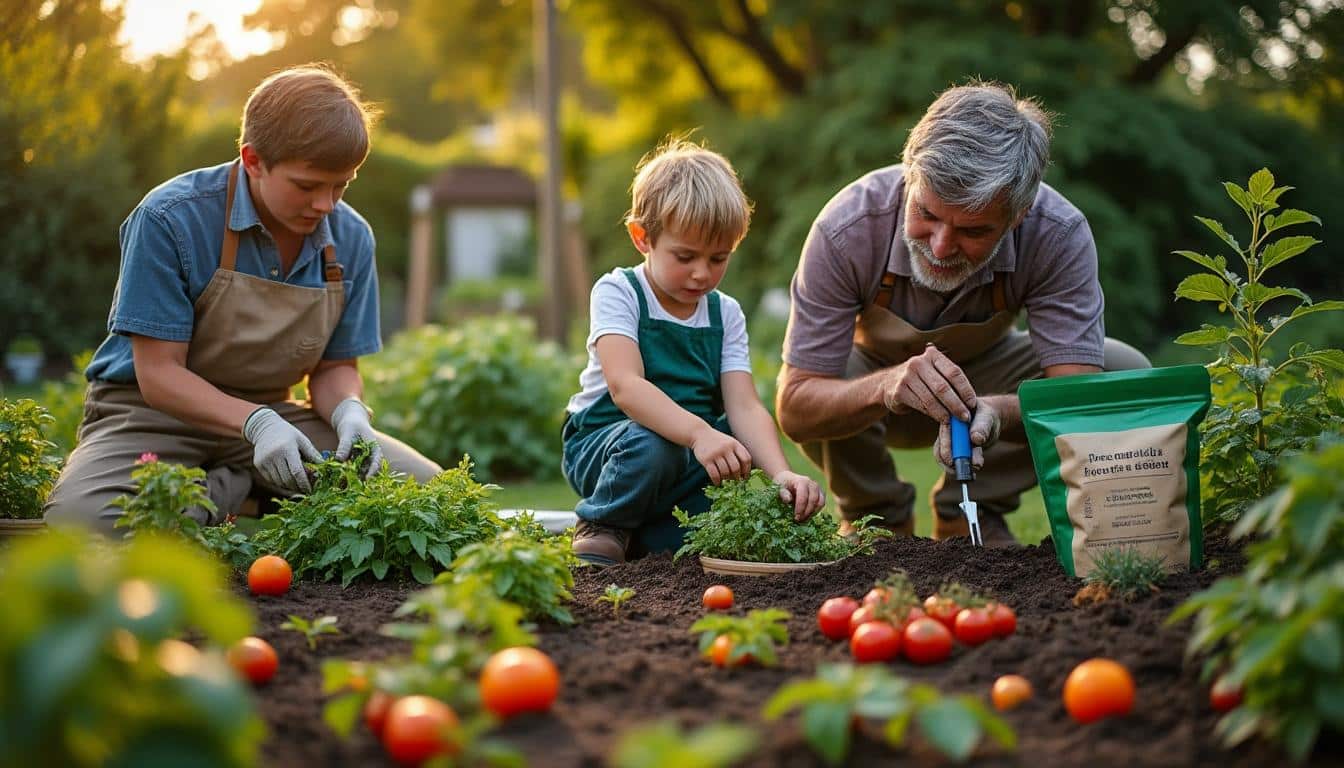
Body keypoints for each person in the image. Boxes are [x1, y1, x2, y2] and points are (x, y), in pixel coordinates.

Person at [44, 64, 440, 536]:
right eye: (307, 185)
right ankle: (234, 490)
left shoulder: (351, 237)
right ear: (253, 160)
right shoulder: (169, 219)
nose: (326, 205)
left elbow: (335, 369)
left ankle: (226, 491)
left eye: (342, 185)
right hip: (151, 417)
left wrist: (349, 411)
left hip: (281, 421)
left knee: (424, 496)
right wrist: (255, 426)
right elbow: (159, 375)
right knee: (85, 525)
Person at [775, 81, 1150, 547]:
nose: (940, 245)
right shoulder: (848, 228)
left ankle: (971, 511)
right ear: (910, 177)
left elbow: (1074, 401)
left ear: (1019, 214)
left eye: (972, 230)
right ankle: (875, 519)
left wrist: (999, 413)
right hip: (879, 403)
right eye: (927, 214)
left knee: (1121, 372)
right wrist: (888, 385)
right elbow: (794, 409)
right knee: (831, 375)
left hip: (987, 386)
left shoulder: (1057, 234)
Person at [562, 139, 826, 566]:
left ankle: (647, 534)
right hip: (611, 444)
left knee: (695, 522)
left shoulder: (726, 314)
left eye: (718, 258)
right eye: (685, 256)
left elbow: (743, 406)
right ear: (642, 237)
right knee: (654, 444)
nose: (702, 273)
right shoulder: (620, 291)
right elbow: (625, 387)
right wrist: (699, 434)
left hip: (685, 456)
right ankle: (604, 522)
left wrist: (781, 473)